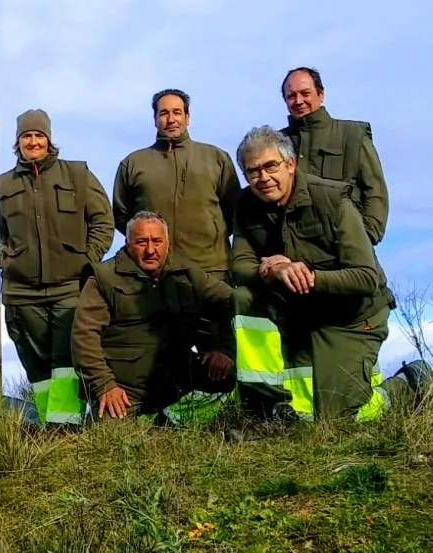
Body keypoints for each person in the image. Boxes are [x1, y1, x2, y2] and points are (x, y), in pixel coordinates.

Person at [230, 125, 421, 421]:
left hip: (352, 317)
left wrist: (308, 275)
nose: (263, 177)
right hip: (299, 311)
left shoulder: (334, 200)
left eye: (270, 166)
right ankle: (265, 407)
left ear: (290, 164)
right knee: (244, 297)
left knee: (341, 417)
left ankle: (407, 384)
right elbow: (240, 266)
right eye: (252, 171)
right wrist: (274, 270)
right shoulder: (245, 204)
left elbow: (366, 277)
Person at [0, 108, 114, 426]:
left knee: (67, 362)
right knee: (36, 366)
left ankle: (67, 428)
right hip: (22, 293)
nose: (33, 142)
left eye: (39, 135)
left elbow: (103, 222)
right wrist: (6, 259)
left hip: (69, 288)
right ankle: (52, 425)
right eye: (26, 136)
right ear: (17, 142)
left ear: (49, 140)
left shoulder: (77, 175)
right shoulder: (4, 184)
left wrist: (88, 261)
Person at [71, 211, 235, 423]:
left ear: (168, 243)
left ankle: (173, 417)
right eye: (141, 242)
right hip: (125, 388)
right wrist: (104, 386)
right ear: (127, 243)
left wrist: (226, 350)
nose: (150, 250)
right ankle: (157, 420)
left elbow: (233, 302)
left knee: (233, 379)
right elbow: (84, 337)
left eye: (157, 241)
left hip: (178, 379)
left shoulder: (188, 274)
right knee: (111, 432)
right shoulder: (103, 278)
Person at [112, 89, 241, 274]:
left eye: (177, 112)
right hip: (154, 274)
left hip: (211, 269)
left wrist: (210, 236)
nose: (171, 119)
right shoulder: (133, 163)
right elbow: (121, 216)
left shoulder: (216, 158)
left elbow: (235, 211)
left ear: (187, 117)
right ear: (155, 119)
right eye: (164, 113)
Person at [279, 67, 388, 245]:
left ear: (320, 94)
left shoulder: (352, 136)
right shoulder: (276, 143)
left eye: (305, 93)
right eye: (291, 96)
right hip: (292, 247)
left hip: (345, 242)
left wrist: (366, 236)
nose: (298, 101)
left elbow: (375, 191)